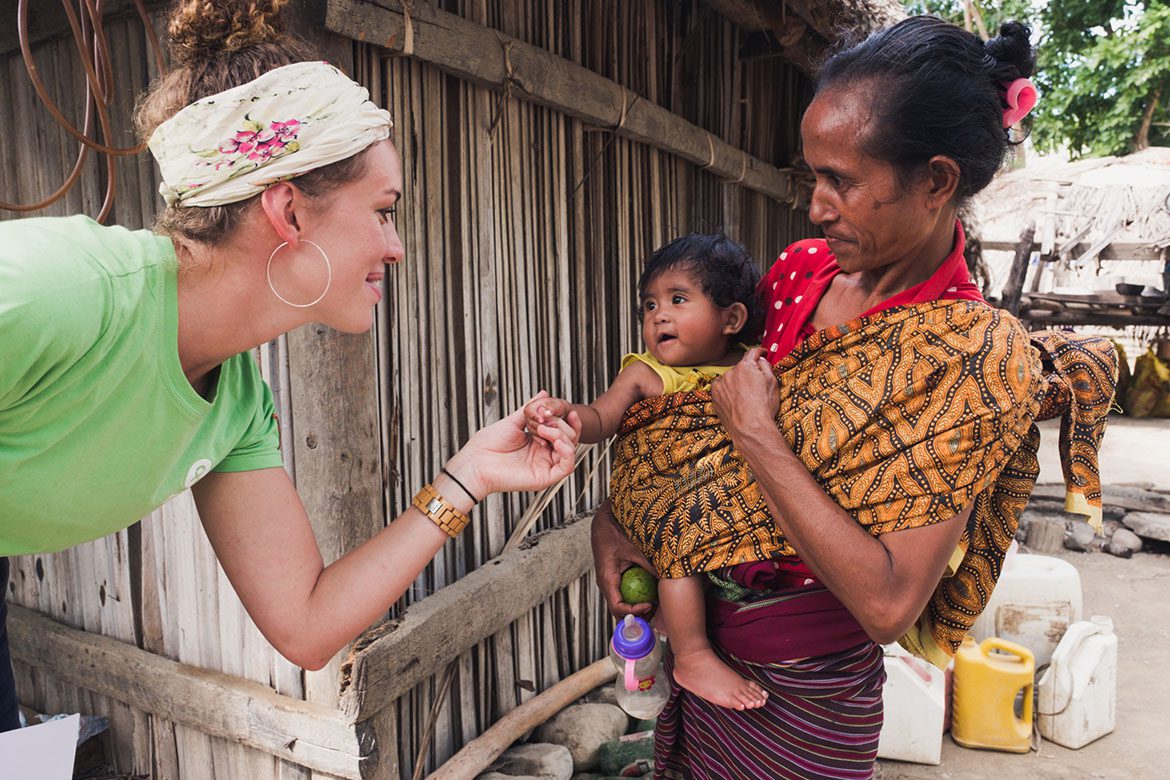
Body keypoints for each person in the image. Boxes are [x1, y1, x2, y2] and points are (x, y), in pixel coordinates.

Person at [0, 0, 581, 732]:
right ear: (290, 212)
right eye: (383, 210)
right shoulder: (56, 292)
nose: (395, 247)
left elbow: (306, 624)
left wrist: (468, 478)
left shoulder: (236, 401)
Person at [589, 17, 1117, 779]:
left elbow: (888, 603)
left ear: (935, 182)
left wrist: (758, 437)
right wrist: (616, 523)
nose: (815, 206)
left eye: (842, 180)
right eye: (813, 176)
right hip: (700, 644)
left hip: (805, 693)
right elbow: (694, 421)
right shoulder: (802, 272)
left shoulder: (968, 358)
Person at [526, 233, 774, 711]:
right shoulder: (646, 373)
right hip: (664, 502)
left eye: (678, 300)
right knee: (677, 547)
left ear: (732, 318)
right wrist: (568, 416)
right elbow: (602, 418)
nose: (658, 315)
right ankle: (693, 654)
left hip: (728, 503)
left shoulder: (752, 366)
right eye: (648, 305)